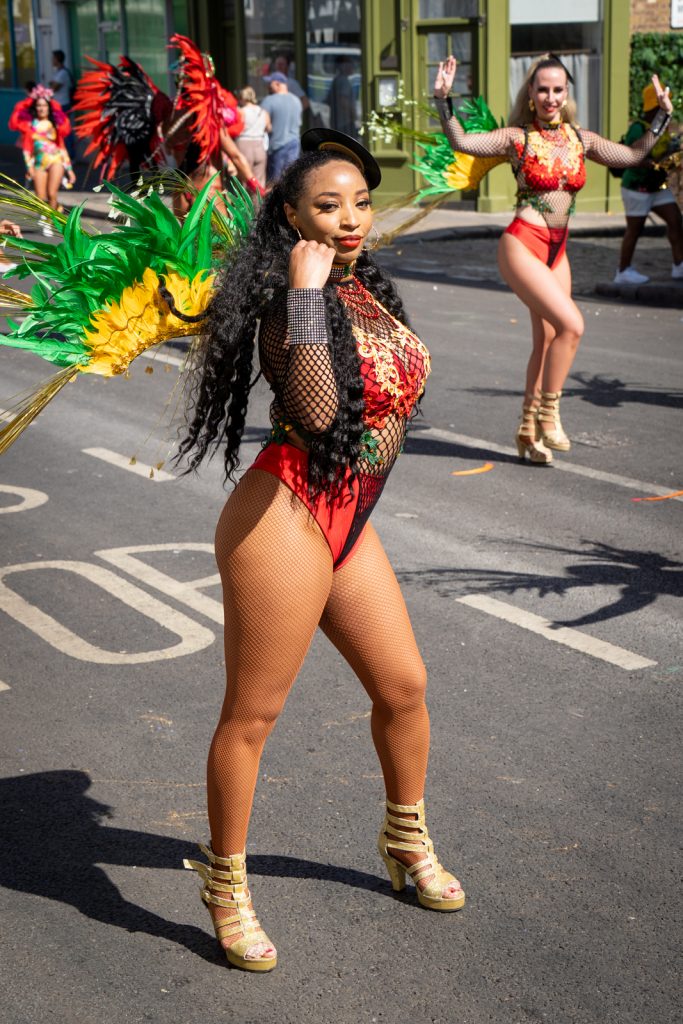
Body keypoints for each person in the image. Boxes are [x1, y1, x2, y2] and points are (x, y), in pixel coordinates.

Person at [178, 128, 465, 973]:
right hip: (285, 517)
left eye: (361, 204)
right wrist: (304, 293)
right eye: (328, 207)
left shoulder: (364, 287)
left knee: (403, 688)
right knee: (252, 717)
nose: (350, 220)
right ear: (292, 219)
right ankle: (226, 887)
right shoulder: (289, 301)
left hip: (348, 518)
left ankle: (404, 840)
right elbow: (313, 413)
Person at [433, 54, 674, 465]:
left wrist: (662, 117)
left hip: (557, 249)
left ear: (566, 93)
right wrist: (443, 99)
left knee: (547, 340)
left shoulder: (581, 139)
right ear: (530, 93)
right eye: (542, 89)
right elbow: (462, 143)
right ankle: (549, 414)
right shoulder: (517, 138)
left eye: (557, 89)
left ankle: (527, 430)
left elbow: (633, 156)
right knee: (572, 325)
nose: (550, 97)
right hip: (523, 243)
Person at [614, 82, 683, 285]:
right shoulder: (638, 128)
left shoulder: (663, 125)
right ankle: (623, 271)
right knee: (635, 229)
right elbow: (630, 156)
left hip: (657, 186)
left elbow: (664, 152)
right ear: (653, 106)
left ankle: (679, 264)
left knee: (675, 220)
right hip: (637, 187)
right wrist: (652, 163)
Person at [9, 86, 76, 234]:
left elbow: (62, 148)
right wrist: (29, 168)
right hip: (39, 163)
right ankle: (51, 212)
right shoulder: (30, 125)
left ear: (49, 107)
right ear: (35, 108)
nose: (41, 108)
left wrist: (69, 170)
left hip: (56, 160)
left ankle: (49, 222)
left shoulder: (55, 125)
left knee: (52, 194)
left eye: (44, 105)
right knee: (40, 197)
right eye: (38, 105)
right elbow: (27, 150)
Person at [260, 72, 303, 183]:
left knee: (275, 183)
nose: (268, 86)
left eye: (270, 84)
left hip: (276, 147)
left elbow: (264, 124)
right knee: (291, 180)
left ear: (278, 84)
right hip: (294, 145)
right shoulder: (297, 100)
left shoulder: (269, 100)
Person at [235, 86, 271, 189]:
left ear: (242, 97)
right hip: (259, 145)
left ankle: (243, 200)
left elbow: (235, 128)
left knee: (244, 180)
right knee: (259, 181)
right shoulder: (263, 112)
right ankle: (258, 200)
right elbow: (269, 128)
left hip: (244, 145)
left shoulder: (240, 111)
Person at [49, 50, 75, 161]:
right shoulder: (58, 72)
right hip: (58, 105)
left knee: (65, 130)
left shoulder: (63, 73)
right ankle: (62, 153)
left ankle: (70, 155)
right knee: (58, 130)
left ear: (57, 59)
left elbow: (53, 88)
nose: (52, 60)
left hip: (63, 105)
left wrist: (52, 84)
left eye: (53, 58)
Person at [326, 55, 357, 137]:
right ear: (343, 66)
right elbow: (343, 100)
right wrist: (352, 114)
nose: (353, 67)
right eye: (350, 64)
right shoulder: (344, 81)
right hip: (345, 123)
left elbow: (328, 100)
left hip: (336, 123)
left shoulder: (336, 80)